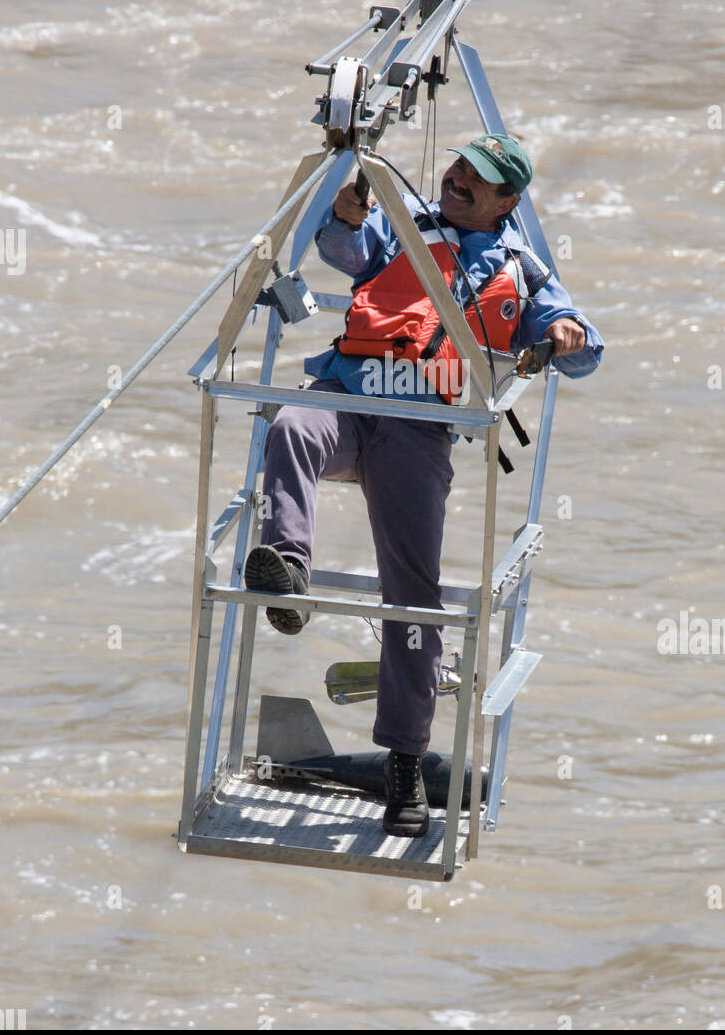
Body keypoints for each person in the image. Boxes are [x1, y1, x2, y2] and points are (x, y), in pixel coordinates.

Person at [245, 134, 603, 836]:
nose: (460, 178)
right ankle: (288, 571)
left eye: (480, 178)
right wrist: (348, 213)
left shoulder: (520, 267)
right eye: (459, 166)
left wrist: (565, 333)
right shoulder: (404, 225)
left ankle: (404, 762)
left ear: (508, 202)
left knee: (414, 599)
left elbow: (581, 343)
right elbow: (343, 251)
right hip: (348, 400)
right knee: (290, 424)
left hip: (418, 432)